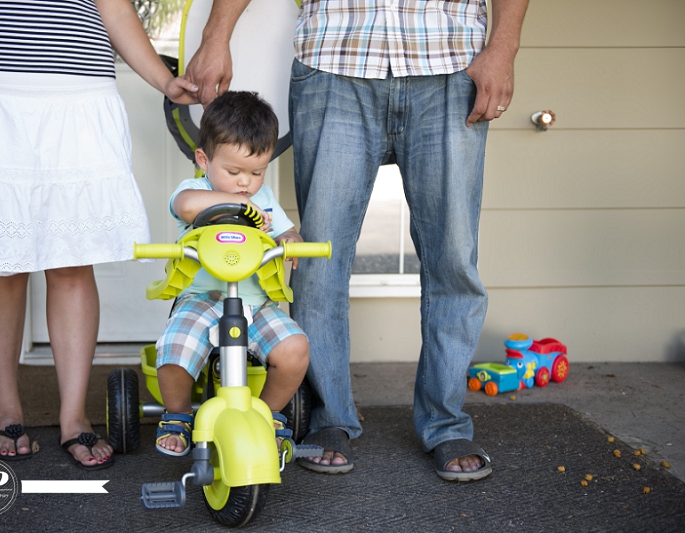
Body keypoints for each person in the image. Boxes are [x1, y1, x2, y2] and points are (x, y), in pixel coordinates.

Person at [184, 0, 528, 479]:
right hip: (335, 57)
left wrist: (504, 45)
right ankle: (329, 417)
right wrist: (216, 35)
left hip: (450, 61)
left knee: (453, 261)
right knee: (317, 261)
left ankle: (447, 423)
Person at [0, 0, 199, 469]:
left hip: (80, 98)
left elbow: (115, 9)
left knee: (73, 262)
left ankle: (73, 416)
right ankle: (4, 407)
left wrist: (164, 80)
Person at [154, 91, 308, 456]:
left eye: (256, 172)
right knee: (175, 349)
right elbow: (187, 207)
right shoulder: (195, 189)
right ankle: (177, 414)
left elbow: (284, 230)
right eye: (234, 171)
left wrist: (290, 238)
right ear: (204, 160)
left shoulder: (265, 198)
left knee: (295, 349)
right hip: (202, 299)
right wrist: (237, 203)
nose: (245, 183)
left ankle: (266, 413)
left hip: (256, 303)